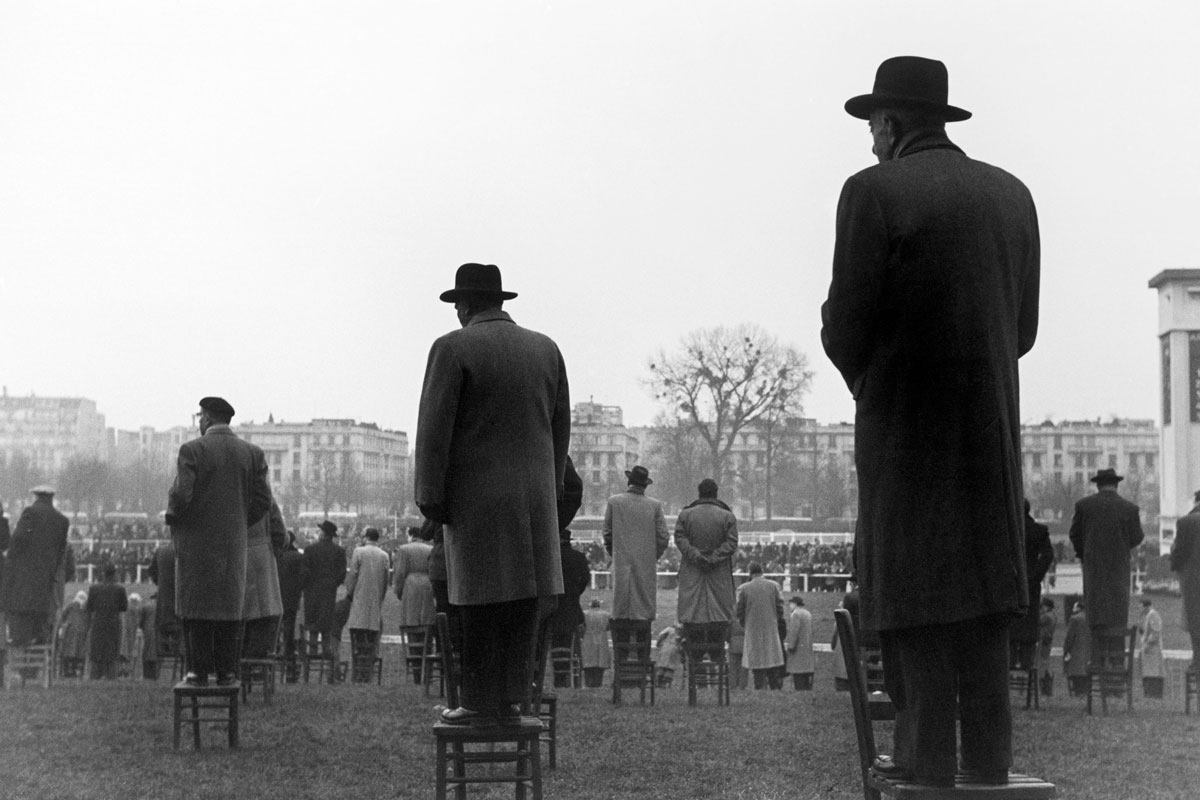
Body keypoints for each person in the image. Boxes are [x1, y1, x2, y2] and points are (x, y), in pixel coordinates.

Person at [821, 56, 1039, 787]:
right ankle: (987, 768)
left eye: (873, 126)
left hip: (908, 457)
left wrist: (881, 388)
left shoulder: (871, 193)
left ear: (889, 123)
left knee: (917, 633)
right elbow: (1024, 330)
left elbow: (845, 327)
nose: (871, 140)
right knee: (982, 637)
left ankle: (925, 770)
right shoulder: (1013, 196)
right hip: (991, 456)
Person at [415, 262, 569, 725]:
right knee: (523, 600)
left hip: (476, 502)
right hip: (534, 503)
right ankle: (513, 700)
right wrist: (550, 493)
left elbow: (433, 431)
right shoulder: (547, 349)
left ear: (463, 305)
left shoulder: (451, 348)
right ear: (501, 301)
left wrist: (431, 498)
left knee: (478, 602)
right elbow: (560, 430)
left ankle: (479, 702)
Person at [166, 396, 272, 686]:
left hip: (196, 547)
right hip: (233, 548)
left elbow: (181, 496)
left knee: (195, 608)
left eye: (200, 416)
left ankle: (197, 672)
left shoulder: (192, 451)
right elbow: (263, 500)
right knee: (229, 609)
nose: (198, 421)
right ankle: (227, 671)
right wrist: (238, 521)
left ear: (208, 419)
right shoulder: (252, 454)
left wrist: (176, 519)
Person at [604, 465, 670, 665]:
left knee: (621, 615)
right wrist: (651, 556)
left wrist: (616, 554)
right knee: (643, 617)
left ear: (628, 482)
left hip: (621, 567)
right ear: (645, 486)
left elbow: (607, 534)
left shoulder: (614, 503)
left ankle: (621, 664)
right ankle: (642, 663)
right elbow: (663, 537)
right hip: (645, 569)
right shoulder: (654, 505)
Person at [1069, 468, 1143, 644]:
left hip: (1094, 569)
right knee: (1117, 617)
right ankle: (1116, 661)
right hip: (1118, 570)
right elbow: (1137, 537)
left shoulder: (1084, 506)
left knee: (1095, 616)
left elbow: (1075, 535)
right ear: (1117, 484)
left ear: (1098, 485)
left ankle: (1095, 661)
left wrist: (1085, 553)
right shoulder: (1130, 508)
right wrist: (1121, 548)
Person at [674, 478, 738, 663]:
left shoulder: (685, 515)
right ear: (716, 493)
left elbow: (680, 538)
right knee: (718, 630)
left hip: (692, 582)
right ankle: (717, 663)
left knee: (692, 629)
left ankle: (696, 668)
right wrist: (714, 557)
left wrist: (696, 556)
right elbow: (731, 543)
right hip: (719, 583)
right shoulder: (727, 516)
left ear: (699, 493)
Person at [0, 485, 70, 648]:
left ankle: (20, 666)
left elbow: (17, 541)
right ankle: (34, 666)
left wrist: (9, 559)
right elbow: (60, 552)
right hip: (45, 586)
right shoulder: (62, 521)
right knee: (39, 632)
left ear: (36, 496)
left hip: (22, 584)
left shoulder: (30, 513)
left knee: (19, 630)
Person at [544, 456, 590, 688]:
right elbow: (585, 580)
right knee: (565, 639)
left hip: (550, 603)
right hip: (571, 605)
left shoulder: (548, 555)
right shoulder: (577, 558)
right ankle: (564, 677)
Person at [1011, 500, 1054, 670]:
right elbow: (1047, 555)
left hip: (1011, 584)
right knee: (1028, 625)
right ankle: (1027, 666)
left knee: (1012, 628)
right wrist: (1034, 577)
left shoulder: (1008, 531)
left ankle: (1011, 668)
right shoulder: (1039, 530)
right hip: (1031, 585)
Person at [242, 500, 286, 661]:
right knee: (265, 615)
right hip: (261, 558)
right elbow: (280, 533)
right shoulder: (264, 496)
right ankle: (256, 663)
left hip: (233, 556)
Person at [302, 520, 347, 676]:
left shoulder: (310, 549)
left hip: (312, 592)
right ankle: (328, 658)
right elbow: (342, 573)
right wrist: (333, 583)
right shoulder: (339, 551)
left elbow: (305, 572)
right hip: (329, 592)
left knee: (313, 623)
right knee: (326, 625)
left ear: (322, 533)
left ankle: (312, 651)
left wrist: (308, 584)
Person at [346, 527, 390, 682]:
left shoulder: (358, 552)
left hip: (359, 600)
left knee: (358, 639)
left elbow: (352, 576)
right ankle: (368, 673)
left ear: (365, 537)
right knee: (372, 639)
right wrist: (380, 598)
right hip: (375, 602)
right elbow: (386, 581)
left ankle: (358, 672)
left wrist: (350, 593)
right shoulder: (384, 555)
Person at [394, 522, 436, 684]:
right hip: (427, 587)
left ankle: (417, 673)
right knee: (427, 630)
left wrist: (399, 592)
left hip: (411, 588)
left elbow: (399, 574)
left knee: (412, 631)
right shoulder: (430, 549)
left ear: (410, 535)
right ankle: (428, 673)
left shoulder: (404, 550)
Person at [736, 563, 785, 690]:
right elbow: (780, 608)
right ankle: (774, 688)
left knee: (756, 662)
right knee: (771, 660)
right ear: (762, 571)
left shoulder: (744, 588)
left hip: (753, 629)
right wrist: (775, 620)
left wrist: (745, 623)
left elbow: (739, 610)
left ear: (750, 572)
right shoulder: (774, 586)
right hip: (771, 628)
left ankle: (759, 688)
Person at [1170, 492, 1200, 673]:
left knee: (1196, 620)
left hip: (1193, 581)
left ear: (1196, 501)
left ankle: (1198, 661)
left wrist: (1175, 564)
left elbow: (1178, 553)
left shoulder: (1186, 522)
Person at [86, 564, 127, 680]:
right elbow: (124, 607)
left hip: (98, 622)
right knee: (112, 650)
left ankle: (95, 675)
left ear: (103, 573)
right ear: (114, 574)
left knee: (97, 649)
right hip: (113, 623)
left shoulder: (94, 588)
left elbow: (89, 607)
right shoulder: (120, 589)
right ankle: (111, 676)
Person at [146, 540, 182, 669]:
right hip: (181, 603)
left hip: (165, 602)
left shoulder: (161, 550)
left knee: (164, 629)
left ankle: (164, 650)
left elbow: (151, 571)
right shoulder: (186, 548)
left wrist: (161, 584)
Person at [275, 530, 306, 680]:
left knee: (276, 630)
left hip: (277, 596)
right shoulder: (298, 557)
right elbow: (304, 577)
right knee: (289, 631)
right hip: (292, 599)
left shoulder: (277, 557)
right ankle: (290, 662)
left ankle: (277, 657)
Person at [784, 596, 814, 690]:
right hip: (807, 647)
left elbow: (794, 632)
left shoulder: (796, 614)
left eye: (791, 604)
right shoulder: (807, 613)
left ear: (795, 604)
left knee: (798, 676)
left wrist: (790, 646)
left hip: (797, 650)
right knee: (805, 676)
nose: (790, 606)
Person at [57, 591, 89, 678]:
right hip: (81, 631)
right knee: (78, 652)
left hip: (69, 630)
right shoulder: (85, 607)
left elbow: (62, 616)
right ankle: (74, 670)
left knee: (67, 651)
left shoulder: (71, 605)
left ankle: (66, 671)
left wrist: (61, 626)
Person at [580, 598, 612, 689]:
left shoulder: (585, 614)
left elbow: (582, 627)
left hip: (588, 638)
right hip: (602, 639)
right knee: (600, 660)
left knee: (588, 661)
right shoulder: (606, 614)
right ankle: (598, 682)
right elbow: (608, 627)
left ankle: (588, 682)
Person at [1062, 602, 1091, 697]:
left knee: (1075, 670)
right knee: (1084, 671)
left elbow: (1070, 636)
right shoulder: (1089, 617)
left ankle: (1078, 692)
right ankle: (1085, 691)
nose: (1072, 609)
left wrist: (1066, 649)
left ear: (1078, 608)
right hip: (1088, 650)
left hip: (1076, 649)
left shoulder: (1074, 619)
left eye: (1074, 607)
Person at [1138, 597, 1164, 698]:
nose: (1140, 610)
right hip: (1148, 649)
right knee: (1148, 671)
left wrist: (1147, 645)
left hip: (1152, 649)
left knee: (1153, 671)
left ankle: (1154, 694)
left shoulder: (1153, 615)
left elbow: (1156, 632)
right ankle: (1148, 694)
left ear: (1146, 606)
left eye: (1141, 607)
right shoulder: (1148, 616)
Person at [1037, 598, 1057, 696]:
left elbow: (1038, 621)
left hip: (1044, 641)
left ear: (1047, 606)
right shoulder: (1053, 615)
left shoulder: (1046, 616)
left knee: (1042, 665)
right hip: (1048, 641)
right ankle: (1047, 688)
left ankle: (1045, 689)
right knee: (1045, 664)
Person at [654, 623, 682, 688]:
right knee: (670, 666)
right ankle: (666, 683)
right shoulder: (682, 632)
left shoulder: (669, 629)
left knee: (662, 664)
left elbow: (661, 635)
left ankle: (659, 682)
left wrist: (658, 644)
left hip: (666, 646)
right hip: (675, 647)